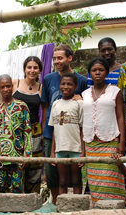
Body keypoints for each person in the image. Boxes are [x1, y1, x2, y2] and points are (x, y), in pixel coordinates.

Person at [41, 44, 88, 201]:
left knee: (75, 176)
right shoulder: (48, 79)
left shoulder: (81, 80)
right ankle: (56, 203)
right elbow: (45, 106)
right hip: (53, 133)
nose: (56, 61)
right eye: (54, 58)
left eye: (60, 58)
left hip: (73, 137)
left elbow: (85, 107)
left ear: (70, 58)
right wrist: (43, 131)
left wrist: (82, 98)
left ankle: (75, 203)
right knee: (52, 172)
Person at [82, 58, 126, 203]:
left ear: (107, 72)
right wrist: (83, 149)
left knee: (111, 176)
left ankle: (116, 207)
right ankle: (99, 209)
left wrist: (121, 142)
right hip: (91, 143)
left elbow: (120, 116)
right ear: (89, 73)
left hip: (110, 140)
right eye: (94, 70)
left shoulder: (115, 91)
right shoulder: (84, 94)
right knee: (96, 180)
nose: (97, 73)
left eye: (101, 70)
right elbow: (84, 120)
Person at [0, 74, 32, 193]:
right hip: (0, 156)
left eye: (8, 86)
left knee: (17, 187)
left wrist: (27, 155)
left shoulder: (22, 106)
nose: (5, 89)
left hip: (17, 156)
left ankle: (17, 211)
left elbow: (27, 132)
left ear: (12, 86)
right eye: (2, 87)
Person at [12, 56, 44, 194]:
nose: (32, 70)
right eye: (29, 67)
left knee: (34, 163)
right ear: (24, 69)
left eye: (35, 67)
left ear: (40, 70)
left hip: (35, 129)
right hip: (16, 130)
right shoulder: (15, 83)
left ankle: (33, 196)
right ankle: (16, 195)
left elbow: (45, 110)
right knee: (17, 161)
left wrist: (43, 131)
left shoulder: (41, 88)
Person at [49, 74, 84, 195]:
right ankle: (62, 207)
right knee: (62, 181)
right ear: (59, 85)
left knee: (76, 181)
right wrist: (53, 151)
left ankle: (77, 206)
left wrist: (83, 152)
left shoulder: (79, 103)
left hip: (76, 148)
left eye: (70, 84)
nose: (66, 86)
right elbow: (54, 130)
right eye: (63, 83)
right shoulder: (56, 104)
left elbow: (82, 129)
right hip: (60, 148)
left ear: (76, 86)